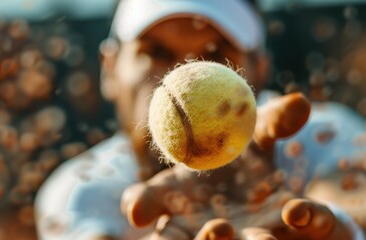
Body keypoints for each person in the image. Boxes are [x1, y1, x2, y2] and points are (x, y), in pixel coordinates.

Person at [34, 0, 366, 239]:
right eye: (156, 53)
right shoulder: (81, 188)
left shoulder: (324, 133)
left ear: (261, 69)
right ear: (109, 69)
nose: (185, 75)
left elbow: (353, 201)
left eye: (214, 55)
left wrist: (338, 227)